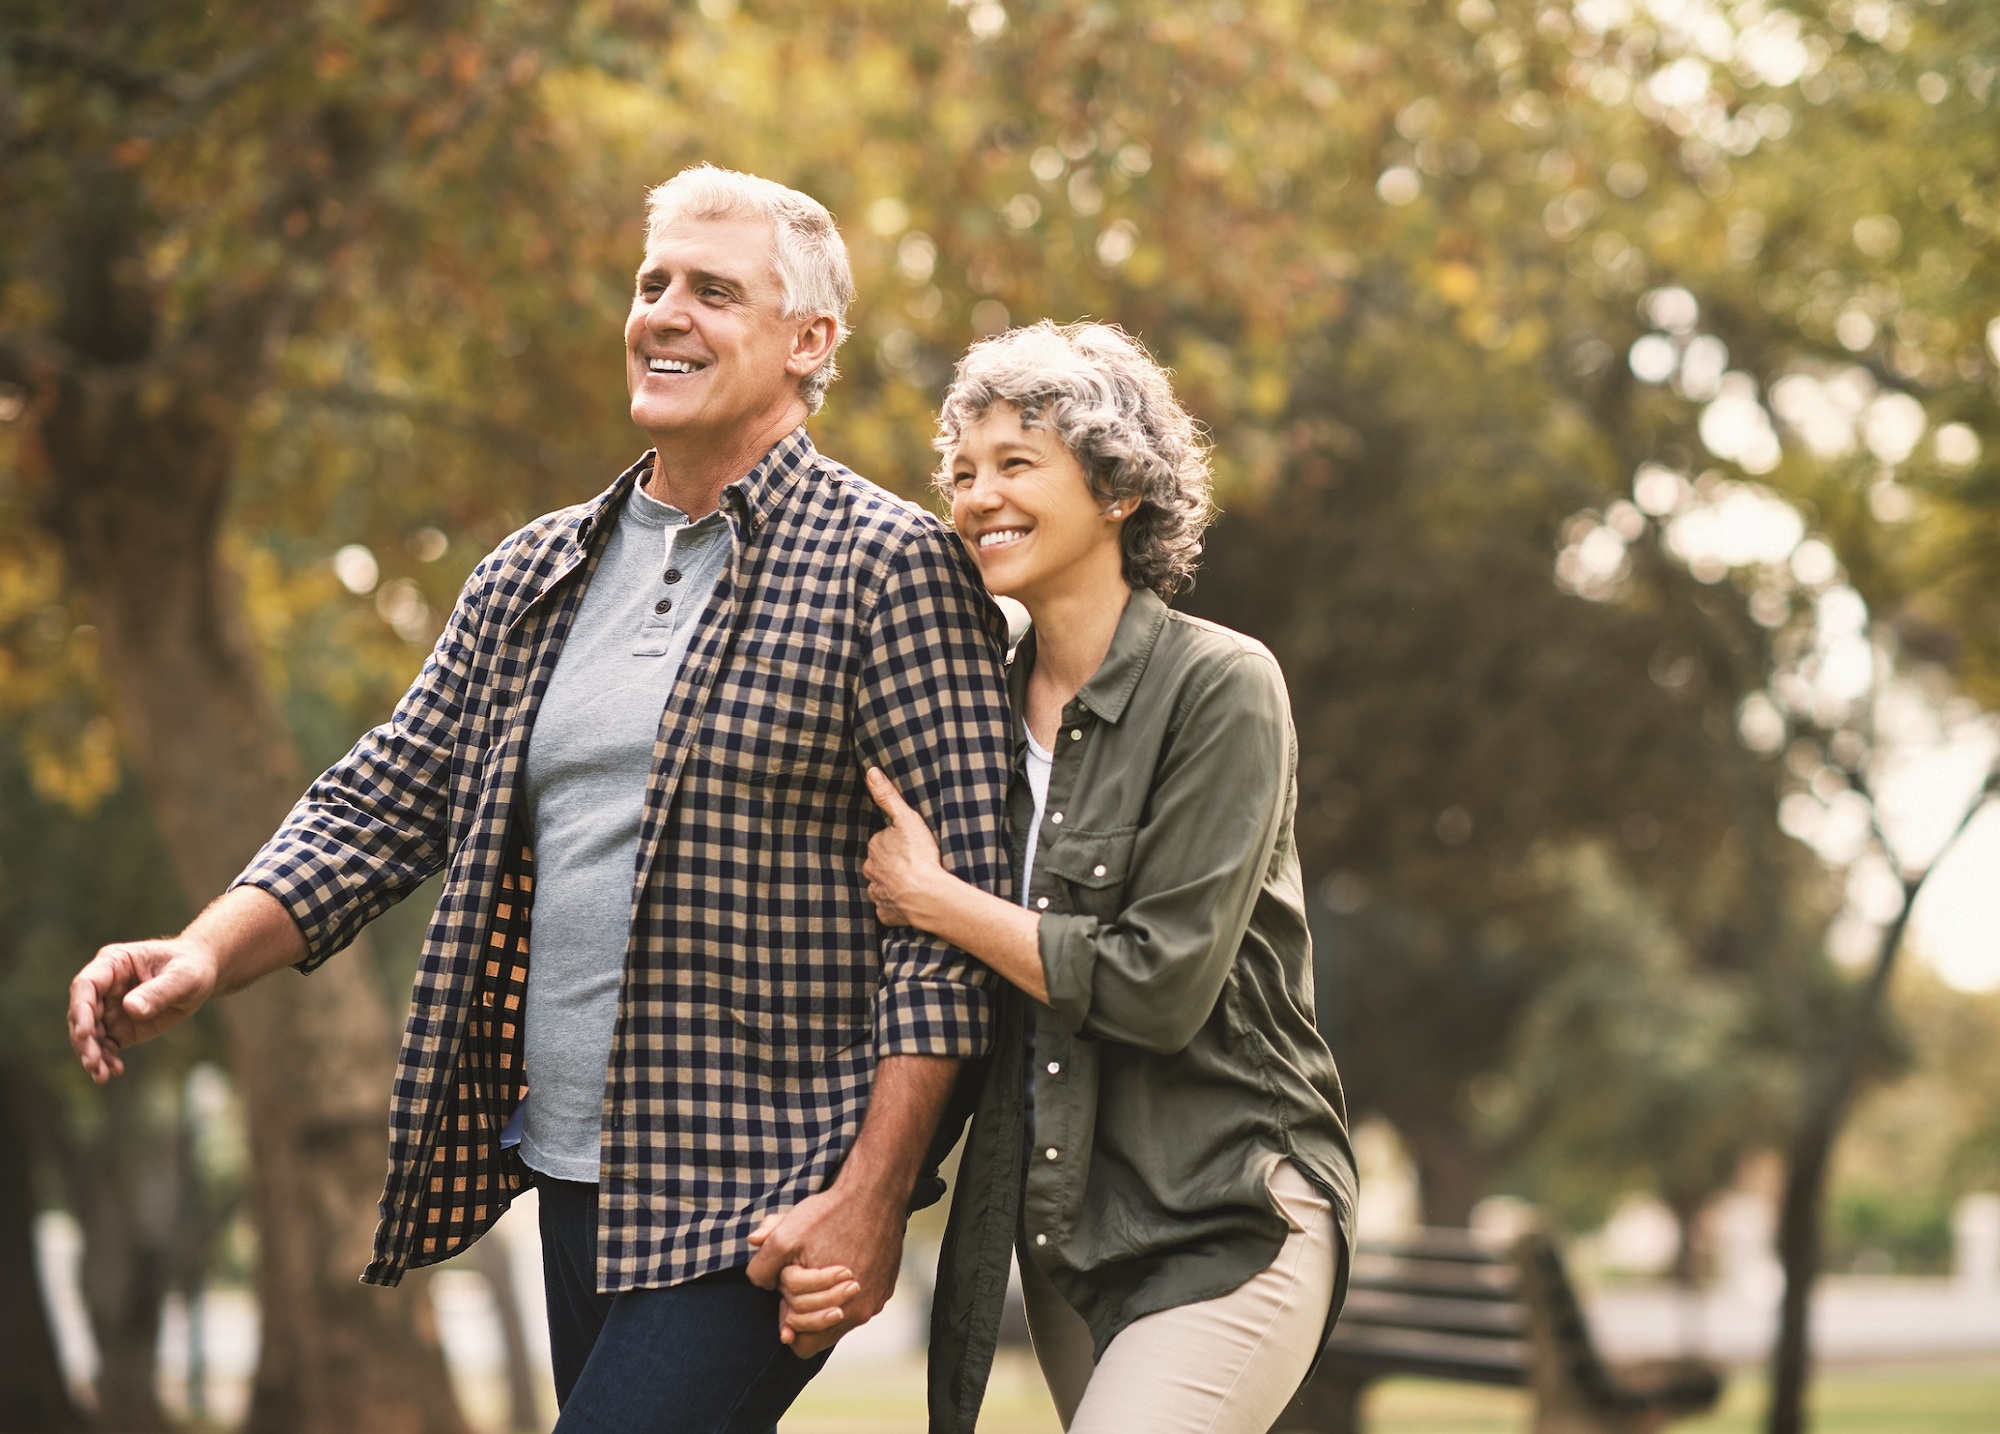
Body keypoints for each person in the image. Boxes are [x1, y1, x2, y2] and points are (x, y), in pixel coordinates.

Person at [66, 165, 1014, 1433]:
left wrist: (875, 1193)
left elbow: (959, 923)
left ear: (808, 343)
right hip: (569, 1169)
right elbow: (383, 800)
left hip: (763, 1195)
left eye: (712, 290)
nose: (664, 312)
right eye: (651, 282)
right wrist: (201, 953)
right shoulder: (536, 569)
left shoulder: (889, 569)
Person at [816, 321, 1357, 1433]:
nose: (976, 498)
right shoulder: (965, 711)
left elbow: (1157, 986)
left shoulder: (1220, 686)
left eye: (1017, 464)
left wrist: (936, 899)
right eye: (961, 473)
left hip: (1226, 1212)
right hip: (1064, 1227)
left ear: (1116, 490)